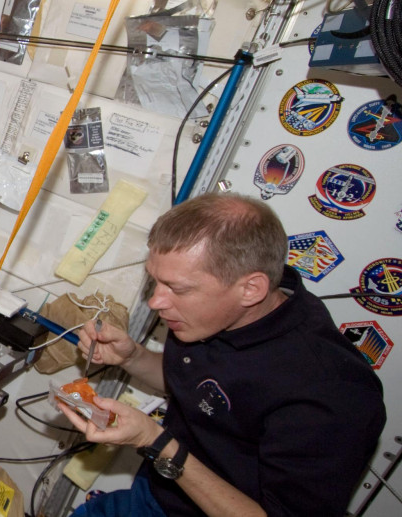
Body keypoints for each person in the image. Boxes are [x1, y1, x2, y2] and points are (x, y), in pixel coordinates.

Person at [59, 193, 385, 517]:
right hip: (157, 493)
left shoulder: (331, 393)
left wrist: (157, 444)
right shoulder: (216, 315)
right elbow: (204, 390)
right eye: (155, 281)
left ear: (251, 289)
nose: (156, 302)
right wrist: (132, 358)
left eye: (178, 288)